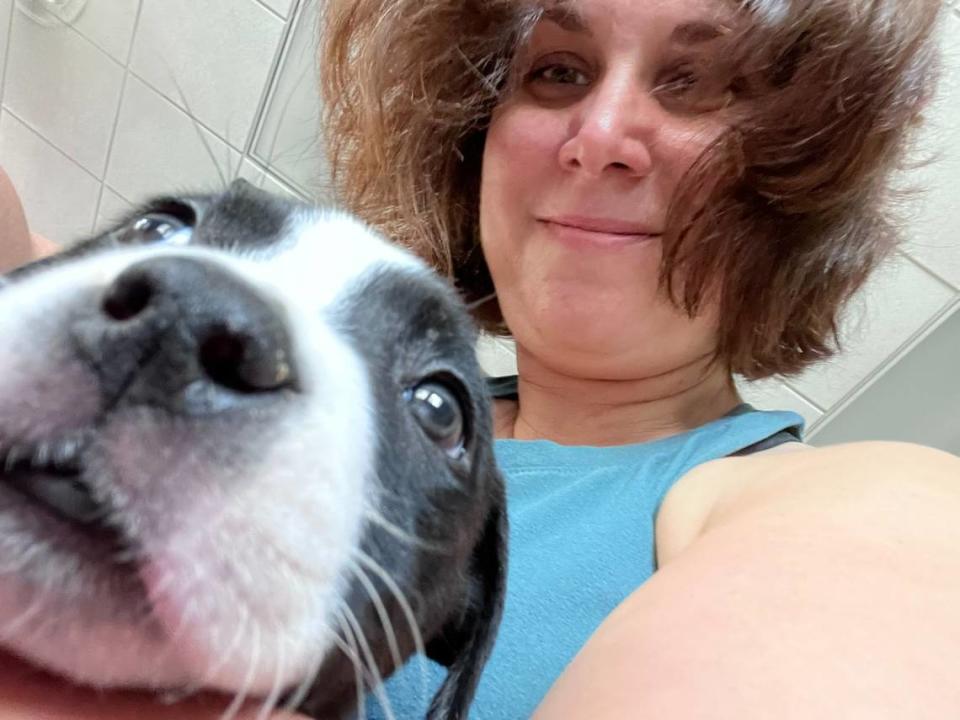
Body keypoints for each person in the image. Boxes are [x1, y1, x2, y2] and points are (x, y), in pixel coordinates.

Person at [0, 1, 958, 719]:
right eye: (558, 73)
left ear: (795, 178)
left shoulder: (846, 505)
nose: (598, 138)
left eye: (696, 84)